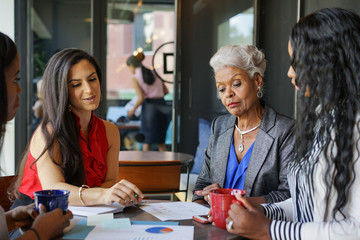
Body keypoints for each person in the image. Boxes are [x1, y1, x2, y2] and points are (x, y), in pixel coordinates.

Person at [226, 8, 360, 240]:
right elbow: (308, 205)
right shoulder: (326, 121)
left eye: (299, 62)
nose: (290, 72)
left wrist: (268, 230)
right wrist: (262, 212)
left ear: (330, 62)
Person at [11, 48, 144, 212]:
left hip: (85, 213)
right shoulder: (48, 133)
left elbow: (109, 182)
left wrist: (111, 194)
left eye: (92, 79)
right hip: (35, 215)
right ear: (62, 91)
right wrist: (102, 195)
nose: (89, 89)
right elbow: (53, 189)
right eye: (76, 84)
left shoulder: (110, 131)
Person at [193, 45, 296, 206]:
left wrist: (234, 203)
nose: (228, 94)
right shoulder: (219, 126)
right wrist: (202, 200)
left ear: (257, 81)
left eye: (236, 84)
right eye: (221, 88)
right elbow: (202, 184)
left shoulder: (285, 130)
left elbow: (289, 195)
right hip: (213, 226)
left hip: (259, 227)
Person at [0, 31, 73, 240]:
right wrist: (39, 233)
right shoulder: (48, 132)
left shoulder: (105, 131)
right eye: (16, 79)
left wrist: (10, 219)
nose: (20, 89)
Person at [126, 49, 170, 151]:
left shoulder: (135, 77)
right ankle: (168, 166)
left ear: (132, 65)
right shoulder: (154, 72)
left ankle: (146, 167)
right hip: (162, 106)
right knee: (161, 142)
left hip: (150, 108)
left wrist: (132, 110)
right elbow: (166, 91)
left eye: (129, 67)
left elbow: (141, 98)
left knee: (147, 141)